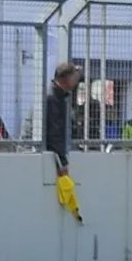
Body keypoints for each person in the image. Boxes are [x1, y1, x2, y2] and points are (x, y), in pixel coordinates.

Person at [45, 62, 82, 222]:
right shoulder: (52, 98)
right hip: (49, 151)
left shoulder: (59, 96)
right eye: (75, 78)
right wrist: (62, 161)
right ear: (65, 79)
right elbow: (54, 132)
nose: (77, 82)